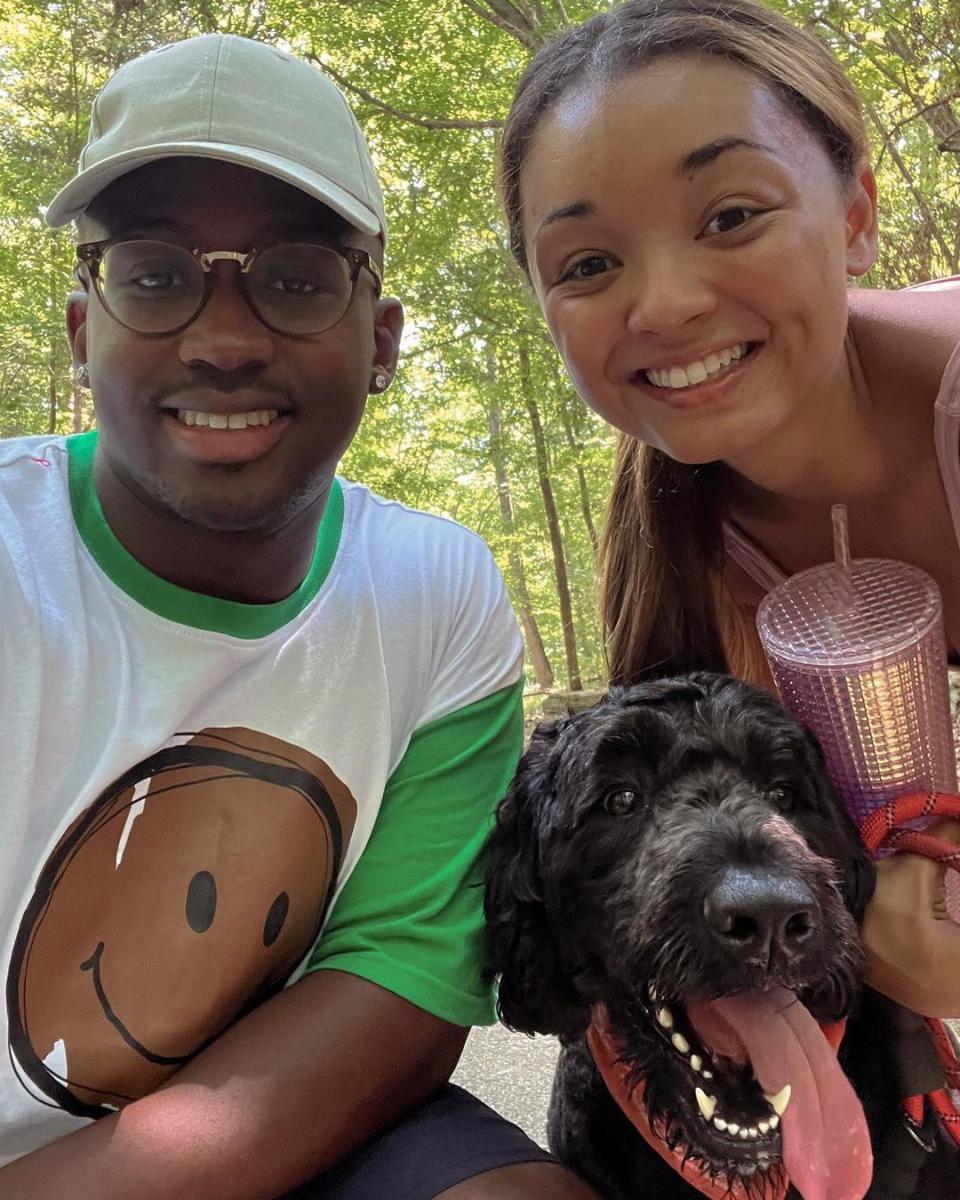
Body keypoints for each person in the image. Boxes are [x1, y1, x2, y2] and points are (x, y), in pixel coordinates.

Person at [0, 34, 597, 1200]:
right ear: (82, 333)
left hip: (280, 1118)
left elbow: (398, 993)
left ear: (381, 342)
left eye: (298, 277)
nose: (224, 341)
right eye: (157, 273)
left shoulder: (437, 595)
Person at [497, 0, 960, 1022]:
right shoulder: (693, 548)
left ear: (858, 217)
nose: (662, 304)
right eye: (588, 264)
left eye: (731, 216)